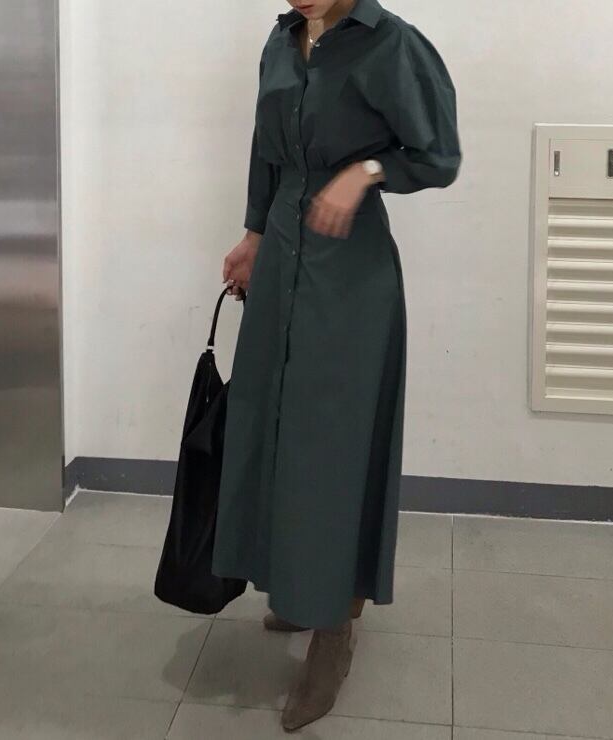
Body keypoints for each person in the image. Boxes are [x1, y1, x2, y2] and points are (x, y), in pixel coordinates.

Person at [212, 0, 461, 731]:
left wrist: (366, 171)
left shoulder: (392, 46)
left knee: (333, 445)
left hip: (350, 269)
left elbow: (439, 156)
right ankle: (296, 584)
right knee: (272, 426)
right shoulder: (281, 40)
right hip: (282, 256)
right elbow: (265, 146)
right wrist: (254, 234)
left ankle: (335, 626)